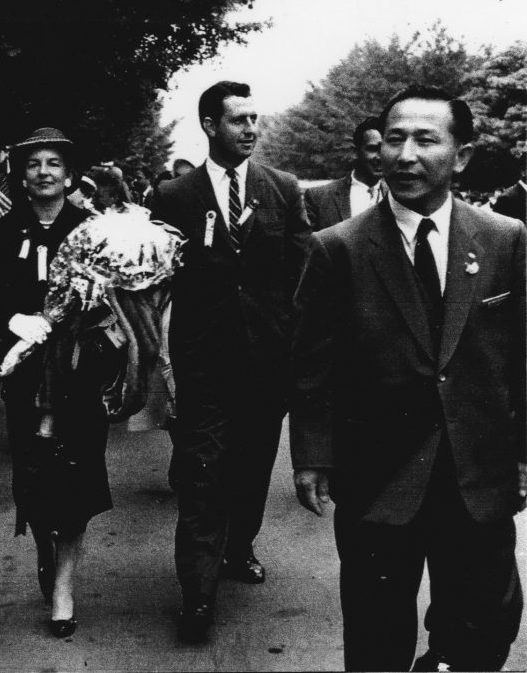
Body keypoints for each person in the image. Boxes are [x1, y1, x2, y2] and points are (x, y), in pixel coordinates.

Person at [291, 85, 526, 671]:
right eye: (394, 139)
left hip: (477, 474)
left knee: (485, 624)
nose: (405, 154)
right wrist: (312, 455)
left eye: (426, 139)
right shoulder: (338, 248)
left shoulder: (505, 239)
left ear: (461, 155)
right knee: (377, 635)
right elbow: (314, 364)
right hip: (379, 476)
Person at [149, 80, 311, 643]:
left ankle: (239, 547)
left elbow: (302, 271)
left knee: (253, 465)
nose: (250, 129)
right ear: (210, 126)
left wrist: (294, 342)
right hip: (203, 363)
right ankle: (197, 595)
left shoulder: (282, 188)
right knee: (202, 475)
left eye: (254, 119)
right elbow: (158, 278)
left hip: (267, 362)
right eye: (239, 120)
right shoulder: (174, 195)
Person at [0, 127, 110, 639]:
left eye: (54, 163)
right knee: (33, 478)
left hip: (80, 375)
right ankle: (45, 550)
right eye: (33, 164)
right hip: (27, 375)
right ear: (23, 176)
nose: (44, 172)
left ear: (70, 176)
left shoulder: (93, 230)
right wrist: (14, 320)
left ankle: (64, 587)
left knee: (77, 481)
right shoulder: (4, 232)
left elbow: (114, 298)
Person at [304, 117, 385, 231]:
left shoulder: (397, 197)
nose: (380, 157)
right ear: (355, 152)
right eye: (372, 149)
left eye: (384, 150)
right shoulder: (319, 198)